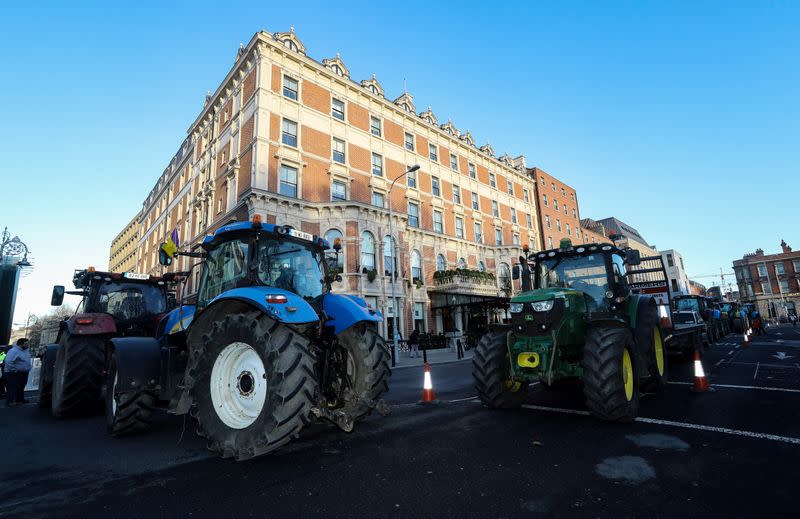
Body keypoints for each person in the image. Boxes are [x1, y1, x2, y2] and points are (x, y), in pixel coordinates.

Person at [5, 338, 32, 407]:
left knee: (21, 387)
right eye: (26, 344)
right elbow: (8, 362)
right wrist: (14, 370)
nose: (28, 345)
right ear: (20, 344)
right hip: (14, 373)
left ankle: (19, 400)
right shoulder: (13, 351)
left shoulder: (26, 351)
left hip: (23, 372)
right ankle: (10, 401)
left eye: (28, 343)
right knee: (12, 387)